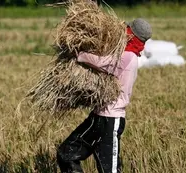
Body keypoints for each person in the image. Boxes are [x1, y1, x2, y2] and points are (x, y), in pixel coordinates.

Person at [57, 18, 152, 173]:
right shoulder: (124, 52)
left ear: (131, 35)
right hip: (97, 118)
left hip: (111, 121)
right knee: (66, 154)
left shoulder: (129, 56)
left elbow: (102, 62)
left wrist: (80, 54)